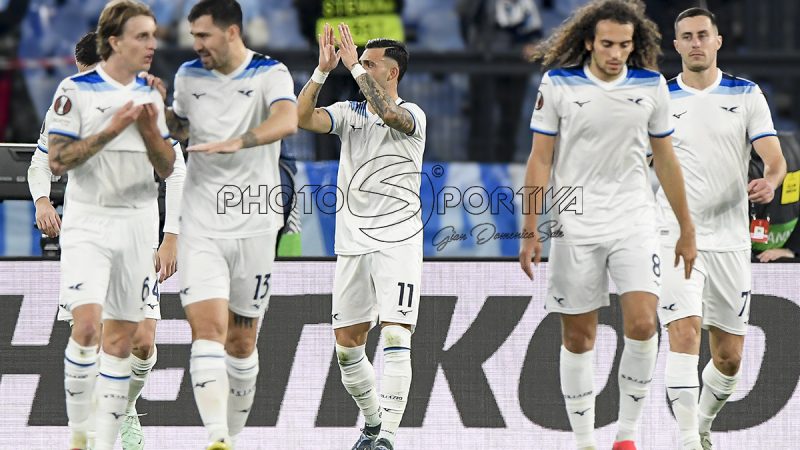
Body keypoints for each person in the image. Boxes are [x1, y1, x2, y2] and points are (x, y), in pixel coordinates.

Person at [518, 1, 697, 449]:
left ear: (634, 45)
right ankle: (583, 441)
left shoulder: (651, 86)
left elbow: (668, 161)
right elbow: (541, 158)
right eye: (607, 45)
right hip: (575, 223)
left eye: (624, 45)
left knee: (642, 323)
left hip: (635, 219)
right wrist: (530, 226)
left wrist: (687, 227)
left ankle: (626, 436)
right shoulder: (558, 84)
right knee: (579, 336)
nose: (616, 53)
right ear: (588, 44)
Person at [29, 29, 184, 450]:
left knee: (143, 344)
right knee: (88, 331)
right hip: (85, 231)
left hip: (136, 233)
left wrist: (171, 237)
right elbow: (40, 162)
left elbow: (179, 170)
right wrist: (43, 201)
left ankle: (125, 408)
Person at [157, 1, 297, 448]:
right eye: (193, 36)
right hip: (200, 222)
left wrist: (241, 140)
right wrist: (159, 111)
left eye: (203, 36)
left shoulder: (269, 72)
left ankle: (233, 436)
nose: (195, 44)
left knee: (241, 342)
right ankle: (216, 436)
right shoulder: (187, 75)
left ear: (231, 32)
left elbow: (287, 118)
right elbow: (180, 129)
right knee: (208, 330)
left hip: (256, 222)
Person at [657, 8, 786, 450]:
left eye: (702, 35)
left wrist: (769, 181)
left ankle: (705, 422)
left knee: (728, 359)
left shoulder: (746, 94)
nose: (695, 42)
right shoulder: (659, 98)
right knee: (685, 332)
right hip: (673, 237)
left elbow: (773, 156)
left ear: (718, 41)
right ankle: (687, 440)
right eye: (686, 36)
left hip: (730, 239)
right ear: (675, 46)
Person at [297, 23, 426, 450]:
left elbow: (389, 115)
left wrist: (352, 66)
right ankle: (372, 425)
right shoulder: (350, 114)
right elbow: (302, 118)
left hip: (398, 239)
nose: (362, 70)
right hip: (352, 241)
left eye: (371, 64)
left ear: (392, 73)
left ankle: (388, 437)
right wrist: (321, 72)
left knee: (394, 334)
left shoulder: (413, 115)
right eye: (361, 63)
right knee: (348, 349)